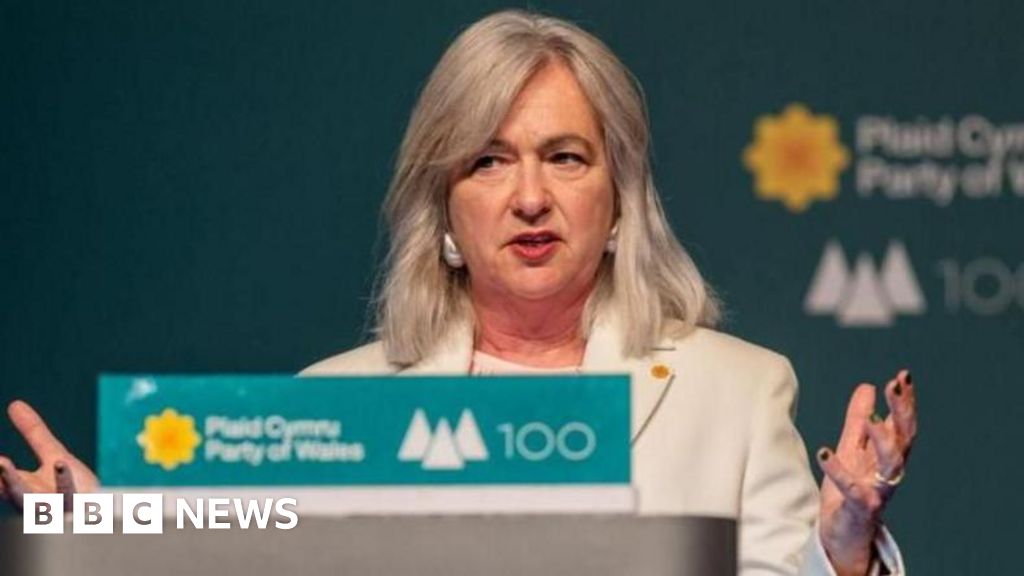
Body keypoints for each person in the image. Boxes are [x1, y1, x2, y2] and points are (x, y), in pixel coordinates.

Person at [1, 9, 916, 576]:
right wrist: (109, 542)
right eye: (487, 161)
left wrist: (842, 555)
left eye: (566, 158)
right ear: (442, 208)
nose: (530, 197)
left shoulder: (736, 391)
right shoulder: (334, 404)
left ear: (620, 203)